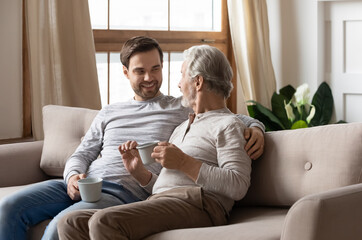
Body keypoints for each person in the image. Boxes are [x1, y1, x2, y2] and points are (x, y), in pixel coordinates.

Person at [0, 37, 264, 240]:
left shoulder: (181, 108)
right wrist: (72, 176)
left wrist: (257, 127)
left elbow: (228, 117)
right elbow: (82, 153)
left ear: (196, 82)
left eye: (156, 69)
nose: (150, 78)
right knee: (10, 207)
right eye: (140, 71)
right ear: (126, 72)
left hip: (124, 193)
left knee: (63, 225)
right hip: (90, 183)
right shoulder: (167, 122)